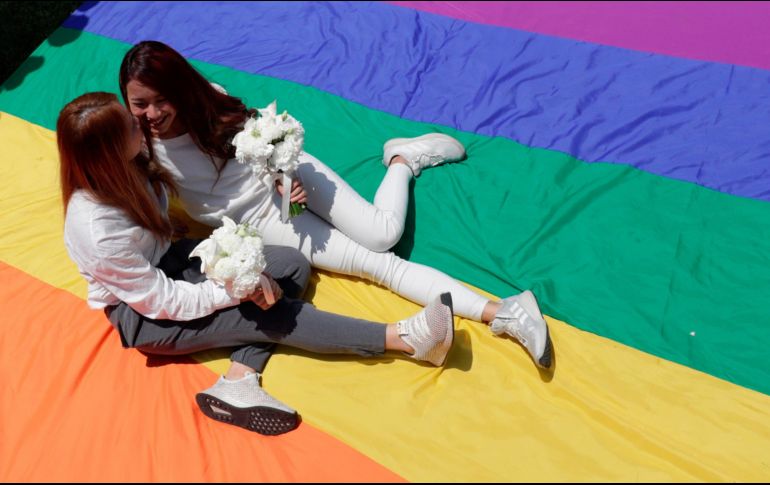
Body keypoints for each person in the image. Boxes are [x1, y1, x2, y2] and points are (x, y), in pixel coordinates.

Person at [118, 40, 553, 370]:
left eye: (162, 99)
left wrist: (285, 180)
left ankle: (403, 159)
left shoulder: (210, 102)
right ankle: (504, 312)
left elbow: (267, 143)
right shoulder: (141, 149)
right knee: (379, 263)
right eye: (140, 104)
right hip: (265, 221)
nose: (153, 113)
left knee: (384, 233)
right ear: (127, 102)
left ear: (181, 89)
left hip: (290, 176)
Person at [58, 92, 456, 436]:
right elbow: (161, 300)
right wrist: (235, 290)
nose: (141, 122)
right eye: (131, 124)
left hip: (173, 262)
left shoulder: (130, 164)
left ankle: (239, 378)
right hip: (145, 313)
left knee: (290, 264)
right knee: (264, 311)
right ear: (110, 151)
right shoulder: (96, 227)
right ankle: (405, 339)